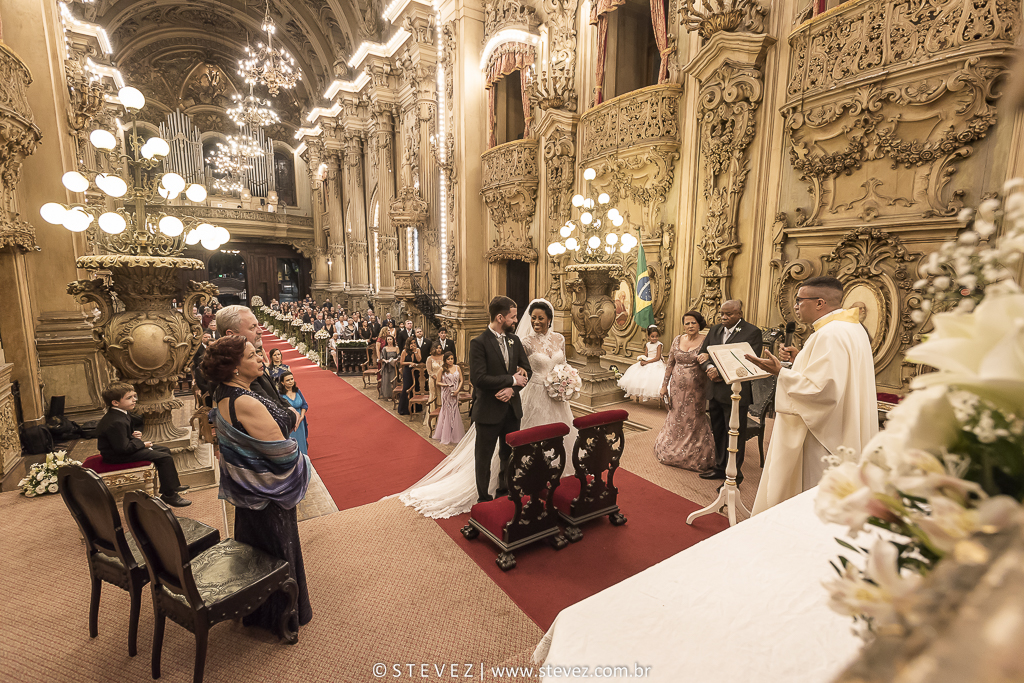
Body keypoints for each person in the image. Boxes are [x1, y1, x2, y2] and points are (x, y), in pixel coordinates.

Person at [398, 297, 575, 517]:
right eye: (512, 316)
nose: (517, 320)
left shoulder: (514, 341)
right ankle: (484, 500)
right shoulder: (478, 342)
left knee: (508, 455)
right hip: (489, 411)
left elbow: (526, 370)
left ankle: (504, 492)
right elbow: (480, 378)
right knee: (484, 457)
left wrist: (513, 389)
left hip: (512, 409)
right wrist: (510, 381)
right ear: (500, 317)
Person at [202, 335, 312, 633]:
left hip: (249, 493)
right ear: (235, 368)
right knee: (276, 553)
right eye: (253, 356)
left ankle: (258, 611)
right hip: (267, 496)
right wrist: (302, 461)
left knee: (258, 551)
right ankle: (281, 618)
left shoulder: (226, 393)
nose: (261, 359)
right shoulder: (246, 401)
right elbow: (282, 452)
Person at [746, 276, 878, 513]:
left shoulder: (830, 334)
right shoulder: (851, 327)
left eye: (799, 300)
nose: (796, 306)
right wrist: (800, 360)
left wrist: (780, 372)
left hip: (821, 433)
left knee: (810, 495)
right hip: (842, 422)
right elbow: (835, 375)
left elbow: (822, 390)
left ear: (819, 303)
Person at [696, 300, 763, 483]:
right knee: (718, 431)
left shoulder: (752, 332)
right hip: (715, 389)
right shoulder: (715, 330)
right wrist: (709, 366)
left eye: (729, 314)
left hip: (736, 392)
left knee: (735, 434)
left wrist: (720, 371)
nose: (724, 317)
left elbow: (749, 361)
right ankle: (719, 467)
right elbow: (703, 354)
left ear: (740, 313)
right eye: (722, 314)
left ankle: (734, 475)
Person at [95, 383, 191, 507]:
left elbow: (122, 439)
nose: (134, 400)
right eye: (129, 398)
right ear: (115, 402)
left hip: (123, 449)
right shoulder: (116, 421)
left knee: (165, 450)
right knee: (164, 458)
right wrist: (140, 443)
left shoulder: (121, 413)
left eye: (134, 396)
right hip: (116, 456)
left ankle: (171, 486)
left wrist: (133, 437)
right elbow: (122, 449)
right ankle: (170, 496)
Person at [655, 311, 716, 472]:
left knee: (693, 419)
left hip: (696, 391)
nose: (690, 326)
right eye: (687, 323)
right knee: (676, 417)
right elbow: (670, 364)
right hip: (676, 388)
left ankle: (693, 454)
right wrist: (664, 386)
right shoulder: (677, 339)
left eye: (693, 323)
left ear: (699, 324)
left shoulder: (706, 341)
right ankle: (671, 449)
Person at [216, 305, 292, 411]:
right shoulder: (236, 366)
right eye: (253, 327)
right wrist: (291, 413)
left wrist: (288, 406)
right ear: (231, 334)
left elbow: (274, 395)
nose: (260, 331)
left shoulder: (247, 358)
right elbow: (270, 408)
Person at [617, 324, 666, 402]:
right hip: (648, 361)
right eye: (652, 336)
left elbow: (657, 357)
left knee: (653, 379)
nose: (655, 338)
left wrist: (647, 362)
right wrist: (643, 360)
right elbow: (646, 355)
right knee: (640, 376)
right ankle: (639, 395)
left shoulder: (659, 344)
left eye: (656, 336)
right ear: (648, 337)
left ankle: (653, 394)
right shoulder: (647, 344)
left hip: (655, 362)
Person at [432, 352, 465, 445]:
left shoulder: (457, 367)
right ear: (445, 360)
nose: (451, 361)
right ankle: (446, 434)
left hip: (455, 392)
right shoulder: (442, 369)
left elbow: (461, 380)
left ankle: (454, 434)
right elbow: (437, 382)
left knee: (455, 411)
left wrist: (458, 390)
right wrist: (446, 385)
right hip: (446, 393)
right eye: (448, 359)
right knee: (447, 412)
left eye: (452, 358)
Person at [278, 372, 309, 455]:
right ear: (282, 382)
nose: (291, 381)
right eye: (288, 380)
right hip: (289, 424)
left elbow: (304, 405)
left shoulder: (297, 391)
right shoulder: (279, 394)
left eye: (292, 379)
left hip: (300, 422)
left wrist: (302, 416)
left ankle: (304, 461)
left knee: (301, 441)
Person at [397, 336, 421, 415]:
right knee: (406, 387)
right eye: (411, 343)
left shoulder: (417, 350)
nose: (413, 344)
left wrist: (415, 351)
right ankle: (404, 408)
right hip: (407, 371)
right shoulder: (405, 351)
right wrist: (410, 363)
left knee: (416, 387)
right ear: (408, 344)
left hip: (415, 371)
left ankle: (416, 408)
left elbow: (419, 360)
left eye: (414, 343)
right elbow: (401, 362)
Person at [379, 333, 400, 400]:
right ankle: (387, 395)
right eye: (388, 339)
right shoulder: (385, 348)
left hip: (394, 367)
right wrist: (386, 361)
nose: (389, 341)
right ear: (386, 341)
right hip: (387, 367)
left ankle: (394, 395)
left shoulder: (396, 348)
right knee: (387, 381)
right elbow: (382, 357)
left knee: (393, 380)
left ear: (393, 340)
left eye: (390, 339)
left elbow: (399, 356)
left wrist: (396, 360)